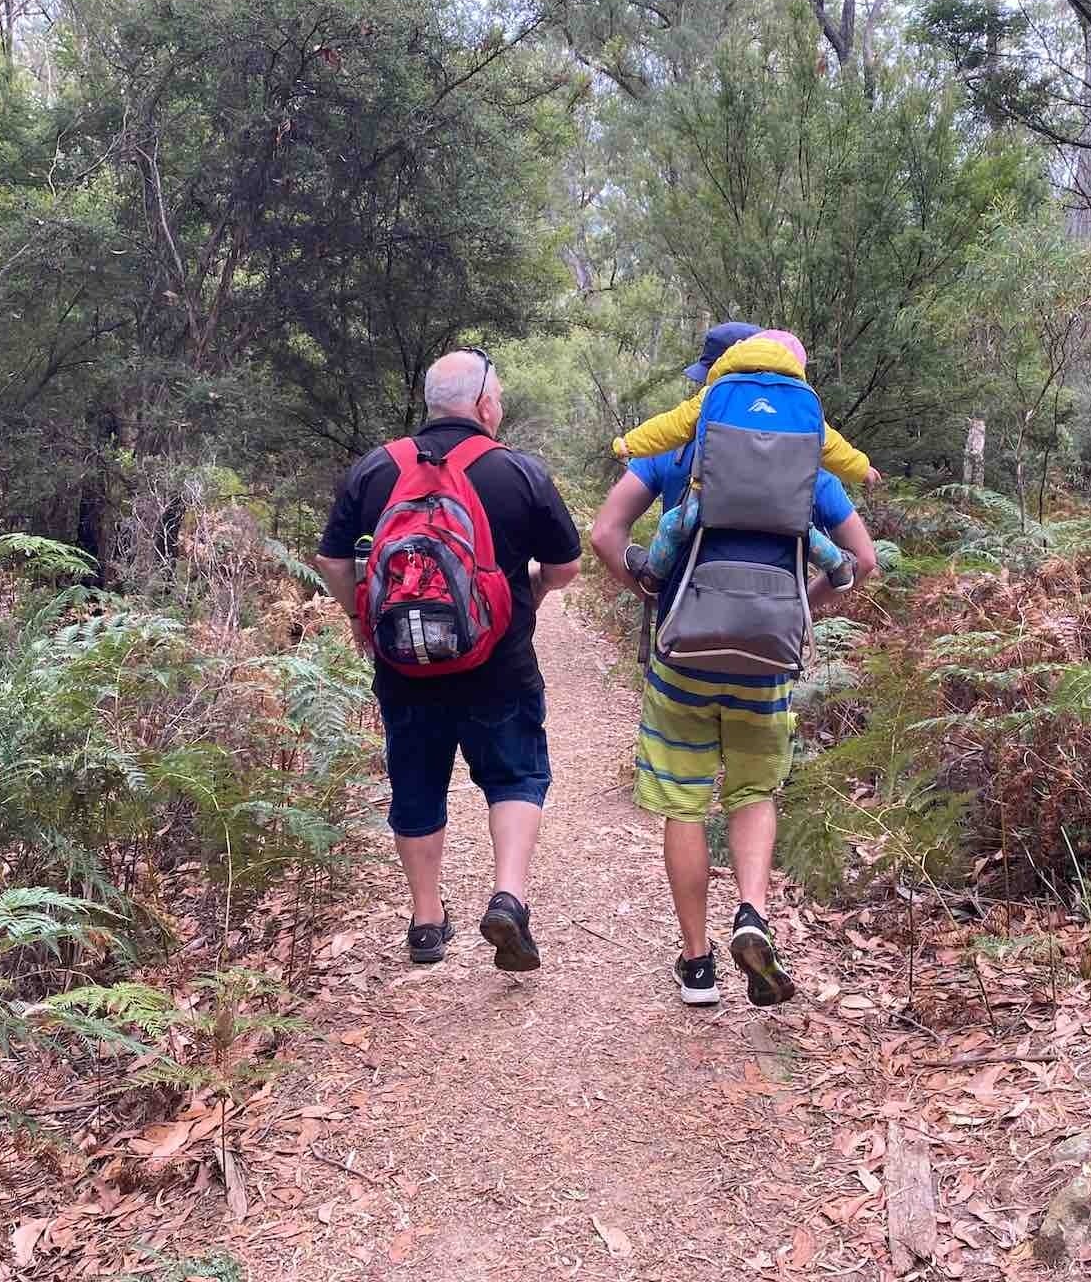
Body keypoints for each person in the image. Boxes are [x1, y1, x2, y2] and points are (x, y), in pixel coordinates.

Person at [590, 321, 881, 1007]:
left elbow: (605, 535)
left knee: (684, 804)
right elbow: (861, 561)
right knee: (753, 794)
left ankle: (697, 965)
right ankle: (752, 912)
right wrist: (802, 609)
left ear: (712, 386)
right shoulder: (806, 463)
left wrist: (656, 592)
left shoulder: (677, 453)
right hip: (767, 659)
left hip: (683, 653)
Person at [315, 350, 583, 971]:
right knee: (515, 775)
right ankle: (509, 897)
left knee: (416, 781)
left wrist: (362, 618)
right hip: (501, 662)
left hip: (404, 663)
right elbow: (566, 566)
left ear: (432, 403)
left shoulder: (375, 469)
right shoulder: (518, 472)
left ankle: (427, 923)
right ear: (486, 403)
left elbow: (332, 561)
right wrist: (530, 594)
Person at [609, 328, 878, 593]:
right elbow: (835, 449)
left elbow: (671, 427)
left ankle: (653, 576)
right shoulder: (803, 406)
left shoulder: (714, 394)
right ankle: (838, 568)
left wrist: (629, 443)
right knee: (806, 533)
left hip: (711, 504)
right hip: (786, 510)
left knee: (672, 525)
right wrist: (862, 469)